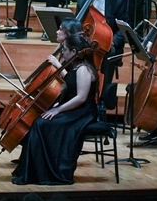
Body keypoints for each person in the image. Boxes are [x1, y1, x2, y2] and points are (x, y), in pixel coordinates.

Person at [12, 33, 98, 185]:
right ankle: (37, 171)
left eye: (64, 49)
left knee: (42, 124)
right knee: (40, 122)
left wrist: (58, 110)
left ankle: (48, 172)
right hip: (74, 109)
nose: (62, 52)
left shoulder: (84, 69)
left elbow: (81, 97)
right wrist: (58, 105)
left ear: (73, 52)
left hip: (82, 113)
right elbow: (70, 90)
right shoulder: (75, 66)